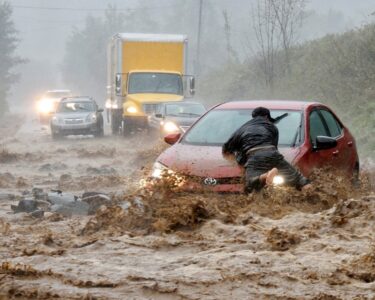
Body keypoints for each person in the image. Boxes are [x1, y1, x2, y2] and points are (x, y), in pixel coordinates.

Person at [222, 107, 311, 193]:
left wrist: (238, 163)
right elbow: (274, 148)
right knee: (300, 179)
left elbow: (225, 150)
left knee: (249, 185)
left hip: (254, 155)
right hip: (272, 153)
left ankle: (264, 177)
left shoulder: (241, 129)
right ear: (266, 117)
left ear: (253, 117)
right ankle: (312, 196)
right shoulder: (272, 127)